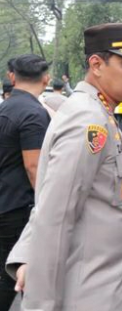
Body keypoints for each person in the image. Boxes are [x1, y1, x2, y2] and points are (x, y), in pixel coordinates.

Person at [6, 23, 122, 311]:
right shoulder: (88, 122)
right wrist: (41, 305)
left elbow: (50, 204)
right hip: (92, 294)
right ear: (96, 64)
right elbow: (55, 216)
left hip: (103, 285)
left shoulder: (99, 111)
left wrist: (28, 253)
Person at [0, 55, 51, 310]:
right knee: (14, 276)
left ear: (12, 77)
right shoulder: (33, 113)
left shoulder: (6, 108)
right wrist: (47, 208)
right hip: (18, 209)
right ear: (46, 79)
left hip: (5, 200)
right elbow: (35, 168)